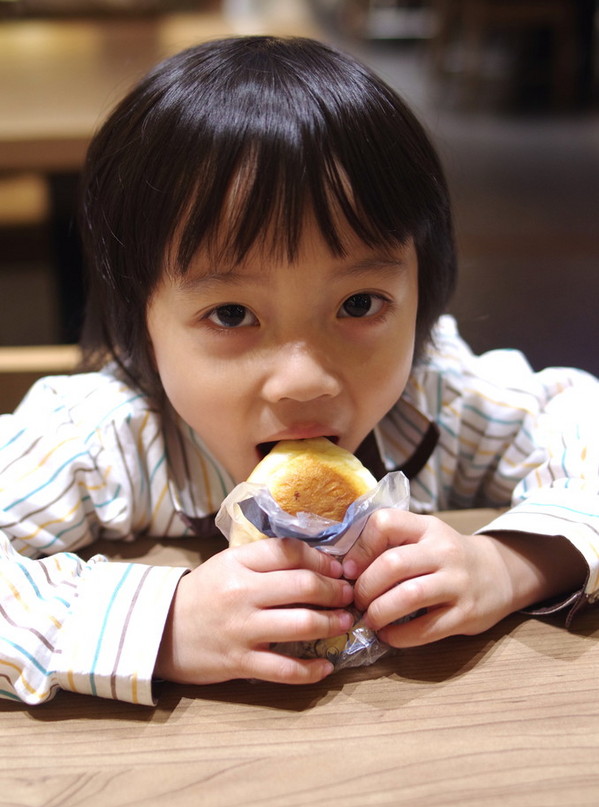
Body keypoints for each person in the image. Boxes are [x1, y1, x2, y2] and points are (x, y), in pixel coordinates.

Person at [1, 36, 597, 707]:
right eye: (230, 314)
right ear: (138, 317)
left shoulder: (436, 401)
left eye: (358, 304)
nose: (304, 380)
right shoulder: (111, 437)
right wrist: (165, 626)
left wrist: (509, 565)